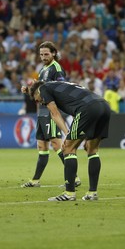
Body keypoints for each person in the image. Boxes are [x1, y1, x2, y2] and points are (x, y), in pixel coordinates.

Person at [29, 80, 111, 201]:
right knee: (92, 149)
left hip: (87, 108)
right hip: (104, 105)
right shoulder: (60, 85)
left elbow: (55, 113)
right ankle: (92, 192)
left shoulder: (43, 88)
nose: (39, 102)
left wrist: (67, 135)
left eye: (36, 99)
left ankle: (69, 193)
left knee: (68, 148)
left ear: (37, 91)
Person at [21, 41, 80, 188]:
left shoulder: (56, 68)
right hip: (41, 111)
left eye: (46, 54)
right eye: (41, 54)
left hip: (50, 111)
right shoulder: (43, 69)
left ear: (54, 53)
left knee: (56, 144)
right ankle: (35, 180)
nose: (43, 57)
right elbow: (42, 91)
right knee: (42, 146)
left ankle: (75, 178)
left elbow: (60, 89)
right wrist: (29, 90)